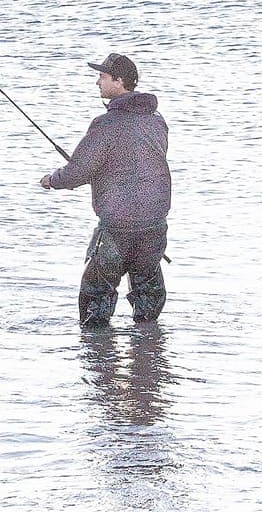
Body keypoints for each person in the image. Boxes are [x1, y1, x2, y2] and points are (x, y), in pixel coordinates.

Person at [40, 54, 172, 325]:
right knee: (148, 301)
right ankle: (147, 354)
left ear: (118, 81)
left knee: (95, 302)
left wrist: (52, 180)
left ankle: (98, 359)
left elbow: (77, 172)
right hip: (155, 225)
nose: (97, 81)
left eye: (102, 76)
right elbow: (138, 163)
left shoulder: (105, 125)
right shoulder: (157, 121)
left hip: (117, 226)